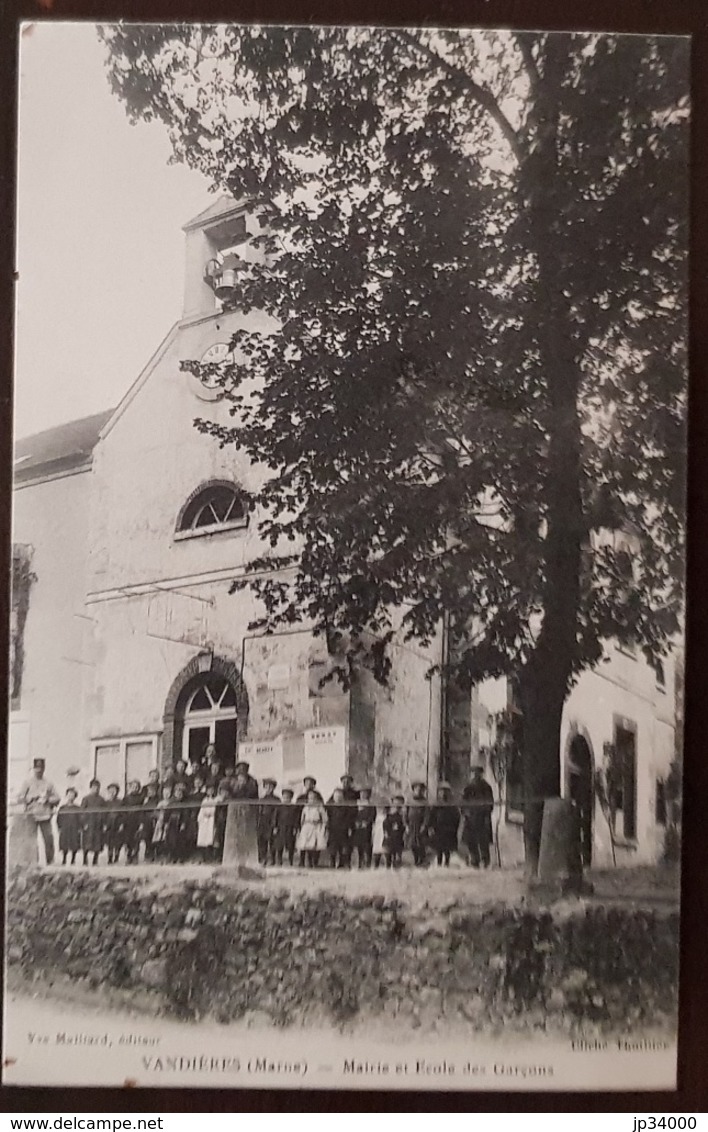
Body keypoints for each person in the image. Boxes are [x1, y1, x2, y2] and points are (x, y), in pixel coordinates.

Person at [17, 758, 60, 864]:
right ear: (33, 768)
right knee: (31, 840)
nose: (39, 770)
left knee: (49, 839)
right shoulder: (27, 782)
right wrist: (30, 798)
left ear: (44, 769)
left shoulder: (48, 783)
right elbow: (19, 798)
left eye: (41, 768)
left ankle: (50, 862)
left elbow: (57, 798)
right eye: (37, 768)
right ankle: (32, 863)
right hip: (31, 815)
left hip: (45, 815)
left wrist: (48, 800)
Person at [461, 765, 495, 868]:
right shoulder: (468, 787)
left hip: (483, 818)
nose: (475, 775)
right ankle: (474, 860)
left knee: (483, 840)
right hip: (471, 818)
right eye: (473, 773)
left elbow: (490, 803)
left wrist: (486, 814)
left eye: (478, 773)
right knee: (471, 840)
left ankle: (485, 860)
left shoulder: (486, 787)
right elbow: (463, 802)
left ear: (481, 774)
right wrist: (465, 812)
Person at [428, 782, 460, 867]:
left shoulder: (452, 805)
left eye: (446, 791)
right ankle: (439, 863)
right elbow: (431, 816)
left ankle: (447, 863)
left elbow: (457, 817)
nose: (443, 794)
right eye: (441, 792)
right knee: (439, 848)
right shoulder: (436, 805)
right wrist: (431, 826)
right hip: (439, 829)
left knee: (447, 849)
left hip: (449, 829)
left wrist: (454, 828)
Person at [297, 788, 328, 867]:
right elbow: (302, 818)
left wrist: (323, 827)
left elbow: (325, 818)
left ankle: (315, 862)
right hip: (307, 826)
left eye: (314, 798)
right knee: (306, 844)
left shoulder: (319, 807)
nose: (312, 800)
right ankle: (308, 861)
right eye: (310, 798)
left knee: (315, 845)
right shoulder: (306, 807)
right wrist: (302, 827)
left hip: (316, 827)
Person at [80, 779, 106, 866]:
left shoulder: (101, 800)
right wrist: (84, 823)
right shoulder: (86, 799)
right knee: (87, 841)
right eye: (94, 787)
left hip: (98, 823)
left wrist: (104, 823)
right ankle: (85, 859)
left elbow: (104, 812)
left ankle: (95, 860)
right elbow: (82, 812)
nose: (96, 789)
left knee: (97, 842)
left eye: (98, 787)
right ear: (90, 788)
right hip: (89, 823)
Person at [256, 778, 281, 865]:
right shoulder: (262, 799)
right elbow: (259, 811)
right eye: (266, 786)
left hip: (272, 821)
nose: (268, 789)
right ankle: (263, 859)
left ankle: (273, 859)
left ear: (273, 788)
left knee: (272, 841)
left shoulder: (276, 800)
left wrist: (274, 825)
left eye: (271, 787)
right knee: (261, 841)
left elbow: (276, 813)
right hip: (262, 822)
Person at [327, 787, 353, 869]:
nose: (338, 798)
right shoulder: (330, 807)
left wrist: (349, 827)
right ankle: (332, 862)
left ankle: (343, 863)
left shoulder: (346, 807)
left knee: (344, 847)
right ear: (333, 797)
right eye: (336, 796)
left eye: (339, 796)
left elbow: (349, 818)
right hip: (333, 829)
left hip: (343, 829)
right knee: (333, 847)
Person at [122, 778, 145, 864]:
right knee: (128, 839)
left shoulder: (141, 798)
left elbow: (142, 811)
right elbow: (123, 810)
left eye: (136, 787)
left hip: (137, 820)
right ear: (130, 788)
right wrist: (123, 821)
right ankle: (128, 856)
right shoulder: (126, 798)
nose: (135, 788)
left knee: (136, 839)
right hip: (128, 821)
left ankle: (135, 856)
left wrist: (141, 823)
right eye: (133, 787)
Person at [351, 788, 376, 869]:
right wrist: (355, 822)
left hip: (366, 828)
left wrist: (367, 822)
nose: (363, 795)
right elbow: (353, 814)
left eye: (365, 793)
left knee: (367, 845)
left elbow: (372, 815)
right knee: (358, 845)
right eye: (361, 793)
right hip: (357, 828)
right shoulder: (356, 803)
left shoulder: (370, 804)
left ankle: (368, 862)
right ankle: (359, 862)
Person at [273, 787, 298, 866]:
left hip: (290, 828)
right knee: (279, 845)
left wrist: (295, 828)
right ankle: (279, 860)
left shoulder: (294, 808)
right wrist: (275, 827)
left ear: (291, 798)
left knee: (290, 845)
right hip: (281, 828)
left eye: (288, 798)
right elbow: (275, 817)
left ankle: (290, 860)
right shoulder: (279, 807)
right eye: (284, 797)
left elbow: (296, 818)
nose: (286, 799)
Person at [407, 781, 430, 867]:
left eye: (420, 789)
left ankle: (422, 859)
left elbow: (427, 815)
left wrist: (424, 825)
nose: (418, 791)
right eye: (416, 789)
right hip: (412, 825)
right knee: (412, 843)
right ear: (413, 790)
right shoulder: (409, 801)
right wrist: (406, 824)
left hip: (420, 825)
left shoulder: (425, 802)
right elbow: (405, 812)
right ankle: (416, 859)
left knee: (421, 843)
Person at [57, 787, 81, 865]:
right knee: (64, 843)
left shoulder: (77, 808)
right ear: (66, 795)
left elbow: (80, 818)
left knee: (74, 843)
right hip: (65, 828)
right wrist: (59, 827)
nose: (71, 796)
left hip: (74, 828)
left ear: (75, 797)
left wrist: (79, 828)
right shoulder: (62, 807)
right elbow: (59, 818)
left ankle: (73, 859)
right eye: (69, 794)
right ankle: (64, 859)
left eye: (72, 795)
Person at [382, 796, 406, 868]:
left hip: (398, 838)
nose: (397, 806)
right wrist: (386, 832)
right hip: (389, 838)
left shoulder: (402, 816)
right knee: (388, 856)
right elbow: (385, 825)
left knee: (397, 859)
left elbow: (403, 827)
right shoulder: (388, 815)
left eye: (399, 804)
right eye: (395, 803)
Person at [151, 784, 174, 862]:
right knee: (158, 837)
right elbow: (156, 812)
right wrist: (158, 816)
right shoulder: (161, 802)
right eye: (165, 793)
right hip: (159, 821)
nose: (166, 795)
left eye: (168, 793)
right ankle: (158, 854)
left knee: (165, 837)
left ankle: (166, 854)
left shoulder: (171, 802)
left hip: (167, 821)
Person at [141, 778, 162, 863]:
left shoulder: (158, 800)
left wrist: (155, 815)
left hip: (155, 821)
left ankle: (156, 855)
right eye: (149, 791)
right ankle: (148, 855)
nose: (151, 792)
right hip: (147, 822)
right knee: (147, 839)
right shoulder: (146, 800)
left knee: (156, 839)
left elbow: (159, 810)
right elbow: (142, 811)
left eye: (152, 791)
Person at [103, 782, 124, 865]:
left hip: (117, 824)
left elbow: (123, 814)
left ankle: (116, 857)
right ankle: (110, 857)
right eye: (110, 791)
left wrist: (122, 824)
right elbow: (103, 814)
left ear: (117, 792)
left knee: (118, 842)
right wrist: (104, 824)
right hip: (109, 824)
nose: (112, 793)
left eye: (114, 791)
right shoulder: (106, 803)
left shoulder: (120, 802)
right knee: (109, 842)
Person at [197, 784, 218, 862]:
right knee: (203, 839)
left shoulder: (215, 800)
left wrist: (210, 813)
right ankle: (204, 857)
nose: (210, 791)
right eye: (209, 790)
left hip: (211, 820)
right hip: (204, 820)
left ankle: (210, 857)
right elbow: (202, 810)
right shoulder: (204, 800)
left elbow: (214, 810)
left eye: (212, 790)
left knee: (210, 838)